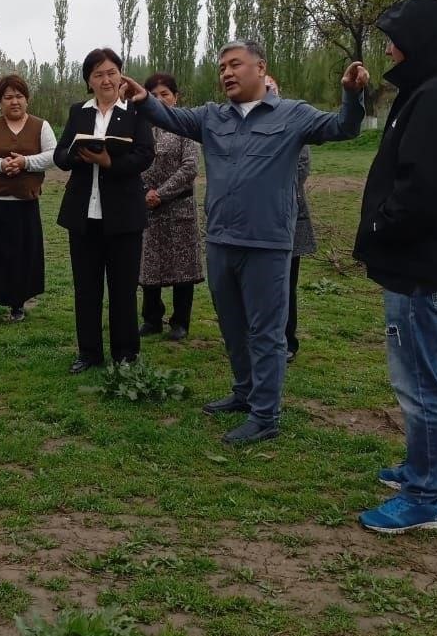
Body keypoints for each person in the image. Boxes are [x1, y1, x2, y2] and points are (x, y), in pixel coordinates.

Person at [121, 42, 368, 444]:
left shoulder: (293, 114)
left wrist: (352, 95)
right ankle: (244, 392)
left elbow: (343, 127)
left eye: (235, 64)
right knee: (233, 325)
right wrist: (143, 98)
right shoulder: (212, 117)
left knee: (266, 332)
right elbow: (171, 116)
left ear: (261, 67)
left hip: (267, 244)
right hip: (220, 239)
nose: (226, 73)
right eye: (222, 67)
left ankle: (266, 415)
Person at [354, 0, 437, 535]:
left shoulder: (435, 96)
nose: (388, 50)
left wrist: (380, 228)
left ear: (419, 41)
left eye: (395, 40)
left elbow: (420, 192)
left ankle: (425, 496)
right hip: (435, 260)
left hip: (418, 264)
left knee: (420, 380)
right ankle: (432, 467)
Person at [54, 48, 155, 372]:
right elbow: (59, 154)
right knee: (86, 288)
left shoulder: (135, 111)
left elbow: (145, 154)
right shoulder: (78, 112)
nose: (106, 79)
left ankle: (125, 354)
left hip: (124, 216)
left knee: (123, 289)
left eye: (111, 72)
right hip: (83, 216)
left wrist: (110, 161)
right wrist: (76, 155)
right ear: (89, 81)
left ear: (121, 75)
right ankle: (89, 353)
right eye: (98, 74)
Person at [0, 74, 57, 324]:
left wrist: (25, 162)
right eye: (8, 97)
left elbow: (53, 156)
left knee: (22, 255)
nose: (14, 101)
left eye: (19, 96)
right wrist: (0, 165)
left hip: (25, 204)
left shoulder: (41, 126)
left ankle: (18, 303)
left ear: (27, 100)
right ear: (0, 102)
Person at [138, 73, 203, 342]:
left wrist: (161, 194)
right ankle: (152, 319)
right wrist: (144, 193)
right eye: (153, 95)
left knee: (182, 268)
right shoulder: (139, 126)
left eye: (165, 94)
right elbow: (132, 162)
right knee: (149, 266)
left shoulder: (186, 126)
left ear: (175, 97)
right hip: (147, 208)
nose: (159, 99)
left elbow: (190, 167)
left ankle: (180, 321)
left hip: (179, 207)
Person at [265, 75, 315, 363]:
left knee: (285, 284)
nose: (267, 94)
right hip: (254, 221)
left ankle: (286, 341)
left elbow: (301, 168)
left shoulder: (293, 122)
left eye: (271, 89)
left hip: (288, 219)